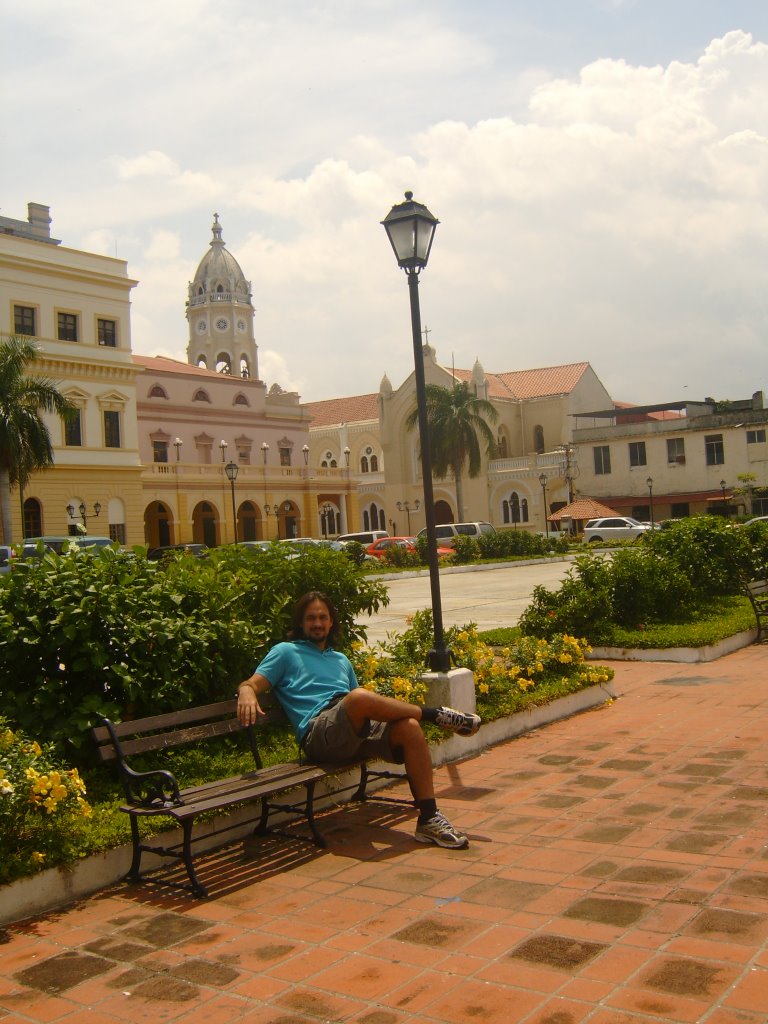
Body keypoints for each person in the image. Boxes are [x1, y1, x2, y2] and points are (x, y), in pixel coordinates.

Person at [237, 590, 481, 849]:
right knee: (357, 698)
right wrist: (246, 690)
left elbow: (364, 707)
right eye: (311, 618)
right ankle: (435, 714)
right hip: (319, 733)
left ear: (331, 623)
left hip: (352, 727)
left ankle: (429, 819)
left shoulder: (340, 659)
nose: (317, 623)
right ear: (301, 623)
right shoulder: (285, 652)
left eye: (323, 617)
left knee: (409, 727)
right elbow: (252, 682)